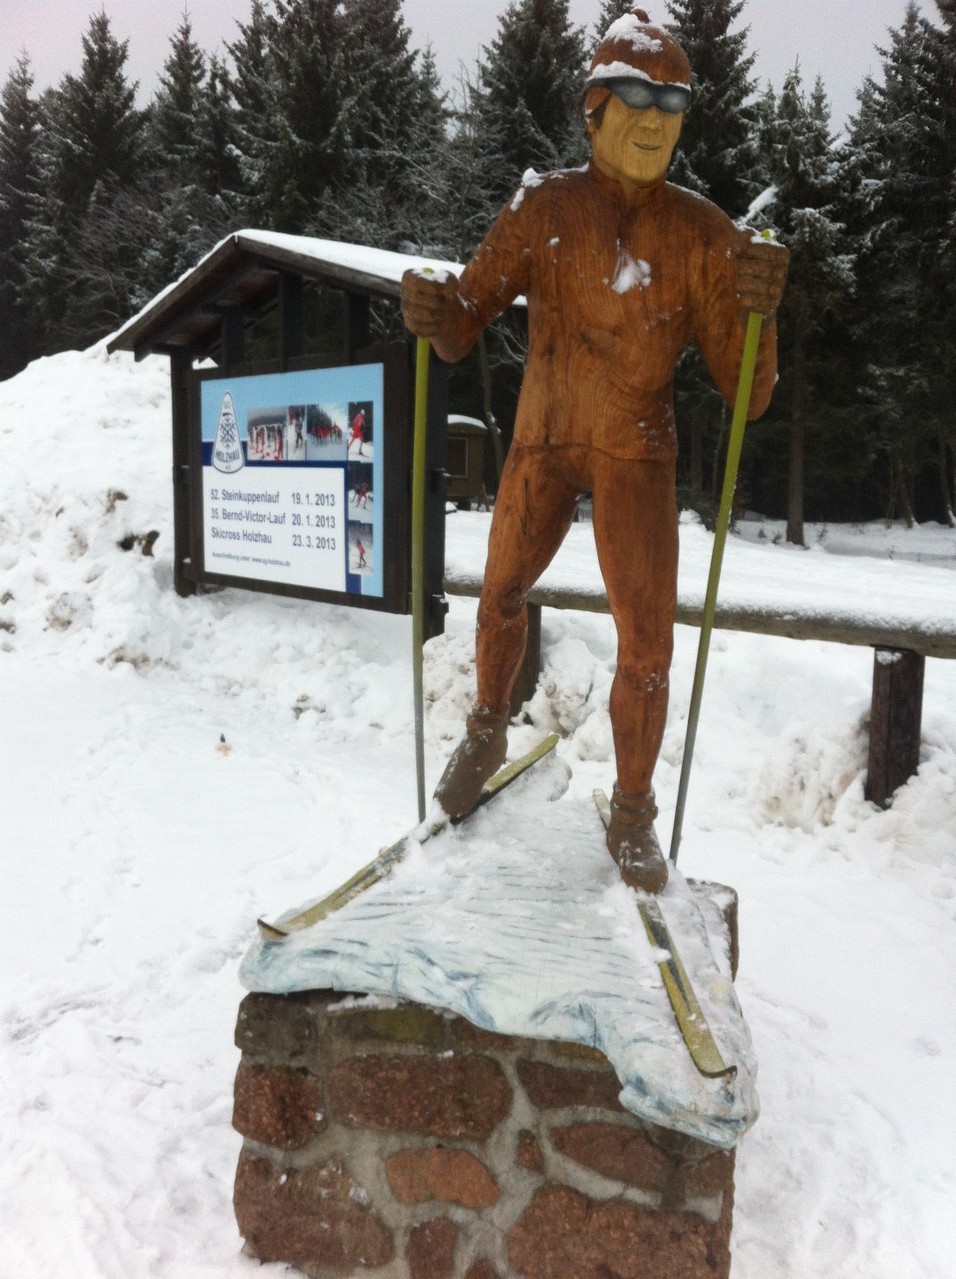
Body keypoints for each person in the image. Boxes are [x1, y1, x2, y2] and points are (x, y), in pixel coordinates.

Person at [401, 10, 788, 893]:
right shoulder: (545, 207)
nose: (655, 120)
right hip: (541, 435)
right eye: (636, 99)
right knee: (499, 590)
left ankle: (634, 810)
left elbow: (747, 395)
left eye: (674, 103)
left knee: (646, 641)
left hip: (635, 450)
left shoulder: (703, 235)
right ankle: (487, 723)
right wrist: (432, 307)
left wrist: (763, 315)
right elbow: (465, 322)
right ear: (594, 109)